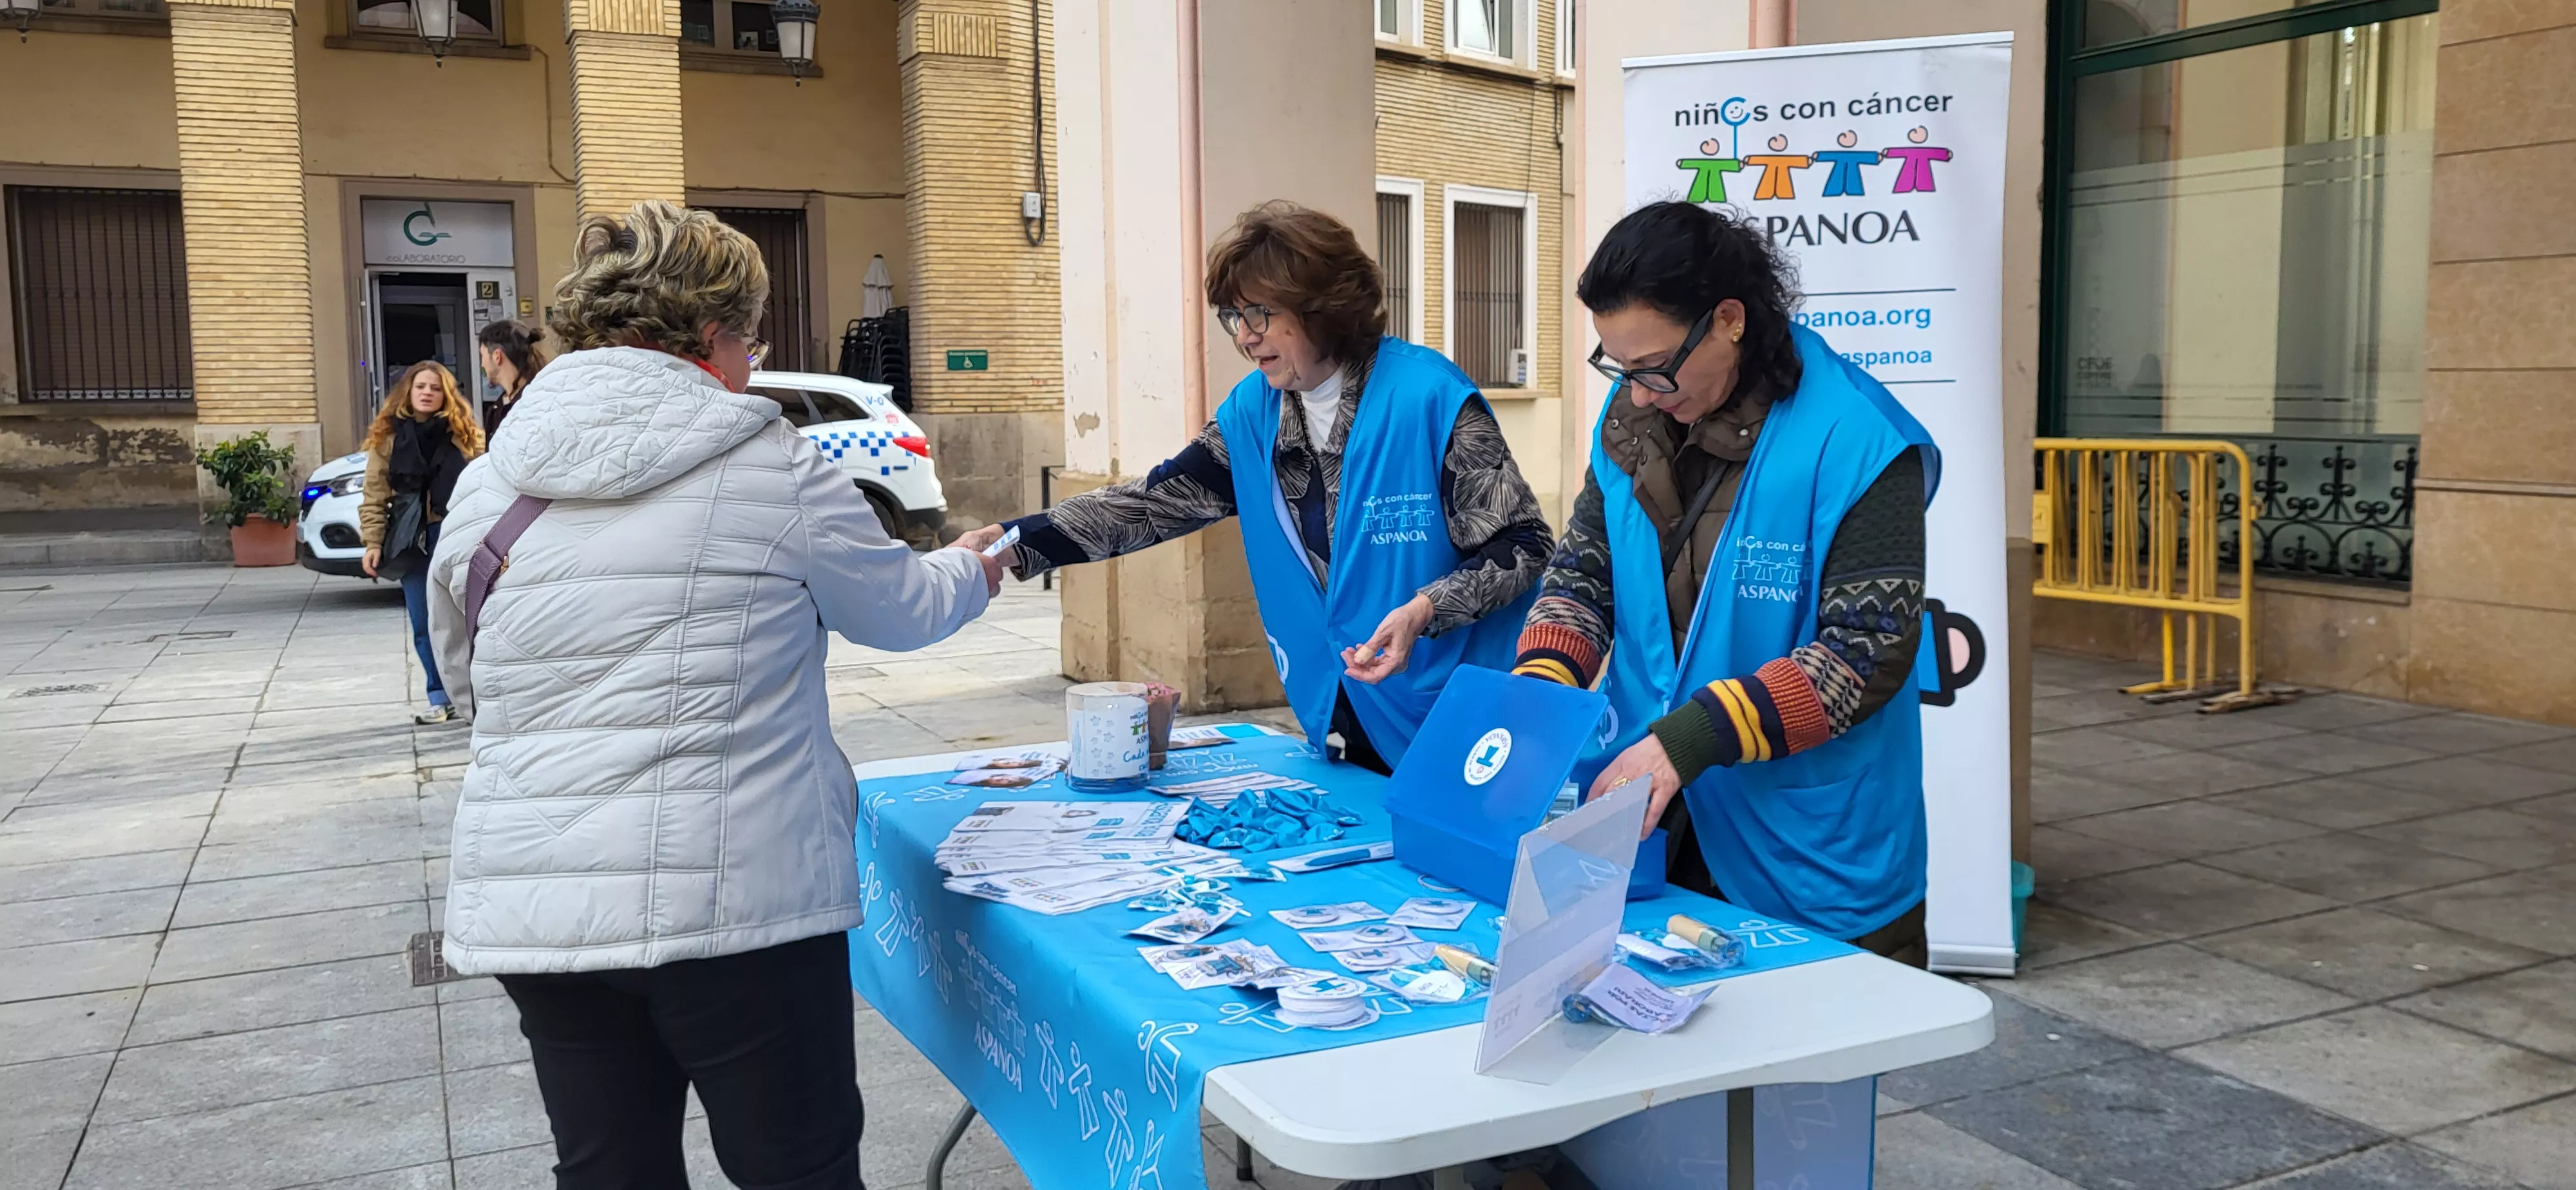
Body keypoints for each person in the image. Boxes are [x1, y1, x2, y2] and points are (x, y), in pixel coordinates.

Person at [424, 200, 1004, 1190]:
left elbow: (467, 667)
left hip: (544, 910)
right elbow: (903, 611)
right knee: (798, 1169)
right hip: (742, 911)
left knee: (609, 1171)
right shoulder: (776, 467)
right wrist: (976, 567)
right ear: (713, 336)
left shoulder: (489, 484)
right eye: (752, 338)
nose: (752, 361)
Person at [954, 201, 1553, 774]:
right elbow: (1153, 503)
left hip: (1462, 714)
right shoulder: (1253, 414)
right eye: (1233, 317)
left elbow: (1524, 546)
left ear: (1321, 307)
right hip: (1344, 705)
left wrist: (1426, 609)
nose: (1244, 336)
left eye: (1259, 314)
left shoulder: (1429, 398)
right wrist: (1013, 541)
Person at [1513, 202, 1939, 965]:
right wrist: (1541, 691)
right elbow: (1584, 572)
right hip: (1653, 824)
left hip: (1806, 845)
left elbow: (1863, 654)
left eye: (1655, 368)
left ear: (1731, 321)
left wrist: (1689, 740)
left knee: (1802, 1078)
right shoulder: (1632, 421)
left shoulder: (1860, 438)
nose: (1638, 392)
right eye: (1618, 366)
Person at [359, 360, 483, 726]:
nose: (427, 392)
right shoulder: (389, 438)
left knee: (467, 617)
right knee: (425, 621)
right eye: (421, 387)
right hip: (413, 538)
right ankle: (439, 696)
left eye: (435, 387)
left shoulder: (465, 436)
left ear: (446, 394)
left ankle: (476, 693)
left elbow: (483, 486)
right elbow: (375, 494)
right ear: (408, 393)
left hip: (458, 534)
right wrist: (373, 542)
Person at [476, 319, 545, 439]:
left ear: (497, 356)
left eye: (483, 356)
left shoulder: (534, 403)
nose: (482, 365)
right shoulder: (497, 409)